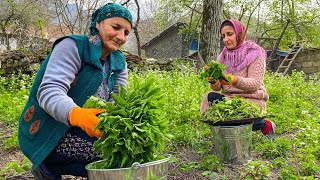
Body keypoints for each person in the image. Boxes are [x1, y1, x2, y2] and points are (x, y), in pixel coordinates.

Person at [18, 3, 132, 179]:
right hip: (51, 126)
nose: (121, 37)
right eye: (116, 27)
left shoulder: (119, 62)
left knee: (123, 153)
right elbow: (50, 91)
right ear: (98, 24)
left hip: (86, 127)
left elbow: (118, 101)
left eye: (126, 33)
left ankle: (57, 165)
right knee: (104, 155)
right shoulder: (74, 46)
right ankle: (47, 163)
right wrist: (77, 115)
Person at [200, 19, 276, 135]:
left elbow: (255, 83)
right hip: (230, 99)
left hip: (251, 99)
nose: (226, 39)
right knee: (210, 98)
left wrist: (234, 80)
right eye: (223, 36)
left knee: (234, 119)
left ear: (239, 34)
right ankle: (234, 128)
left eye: (230, 34)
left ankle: (264, 124)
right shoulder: (223, 56)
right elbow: (218, 88)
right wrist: (214, 81)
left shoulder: (254, 52)